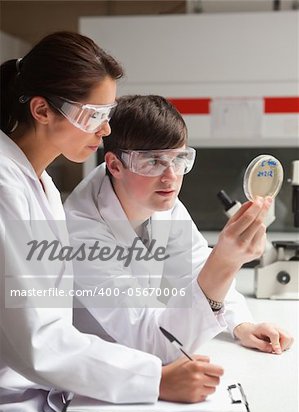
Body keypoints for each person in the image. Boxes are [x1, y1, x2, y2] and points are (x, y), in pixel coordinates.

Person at [0, 34, 224, 412]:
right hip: (14, 401)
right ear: (42, 110)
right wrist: (153, 378)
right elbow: (36, 340)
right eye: (94, 115)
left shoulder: (41, 185)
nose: (105, 130)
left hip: (46, 389)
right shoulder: (5, 184)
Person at [65, 94, 293, 363]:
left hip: (137, 360)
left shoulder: (162, 204)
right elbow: (151, 340)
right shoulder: (81, 231)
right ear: (115, 165)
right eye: (153, 161)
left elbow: (196, 268)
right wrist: (226, 261)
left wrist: (241, 324)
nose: (171, 176)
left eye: (178, 159)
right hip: (95, 369)